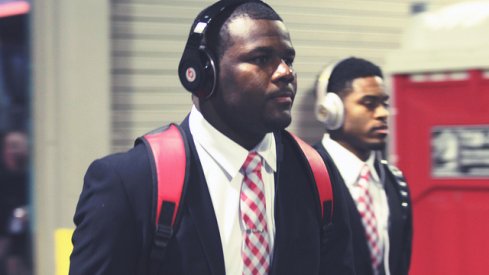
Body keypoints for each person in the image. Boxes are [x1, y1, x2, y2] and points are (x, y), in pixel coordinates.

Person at [69, 1, 355, 274]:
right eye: (261, 58)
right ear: (203, 74)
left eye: (288, 59)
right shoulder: (129, 183)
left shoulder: (318, 175)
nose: (286, 72)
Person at [313, 57, 413, 275]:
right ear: (332, 110)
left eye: (384, 103)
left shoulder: (394, 181)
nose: (382, 113)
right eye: (369, 103)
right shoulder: (305, 175)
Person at [0, 130, 31, 275]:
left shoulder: (31, 178)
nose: (11, 151)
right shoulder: (4, 180)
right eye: (8, 146)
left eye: (15, 146)